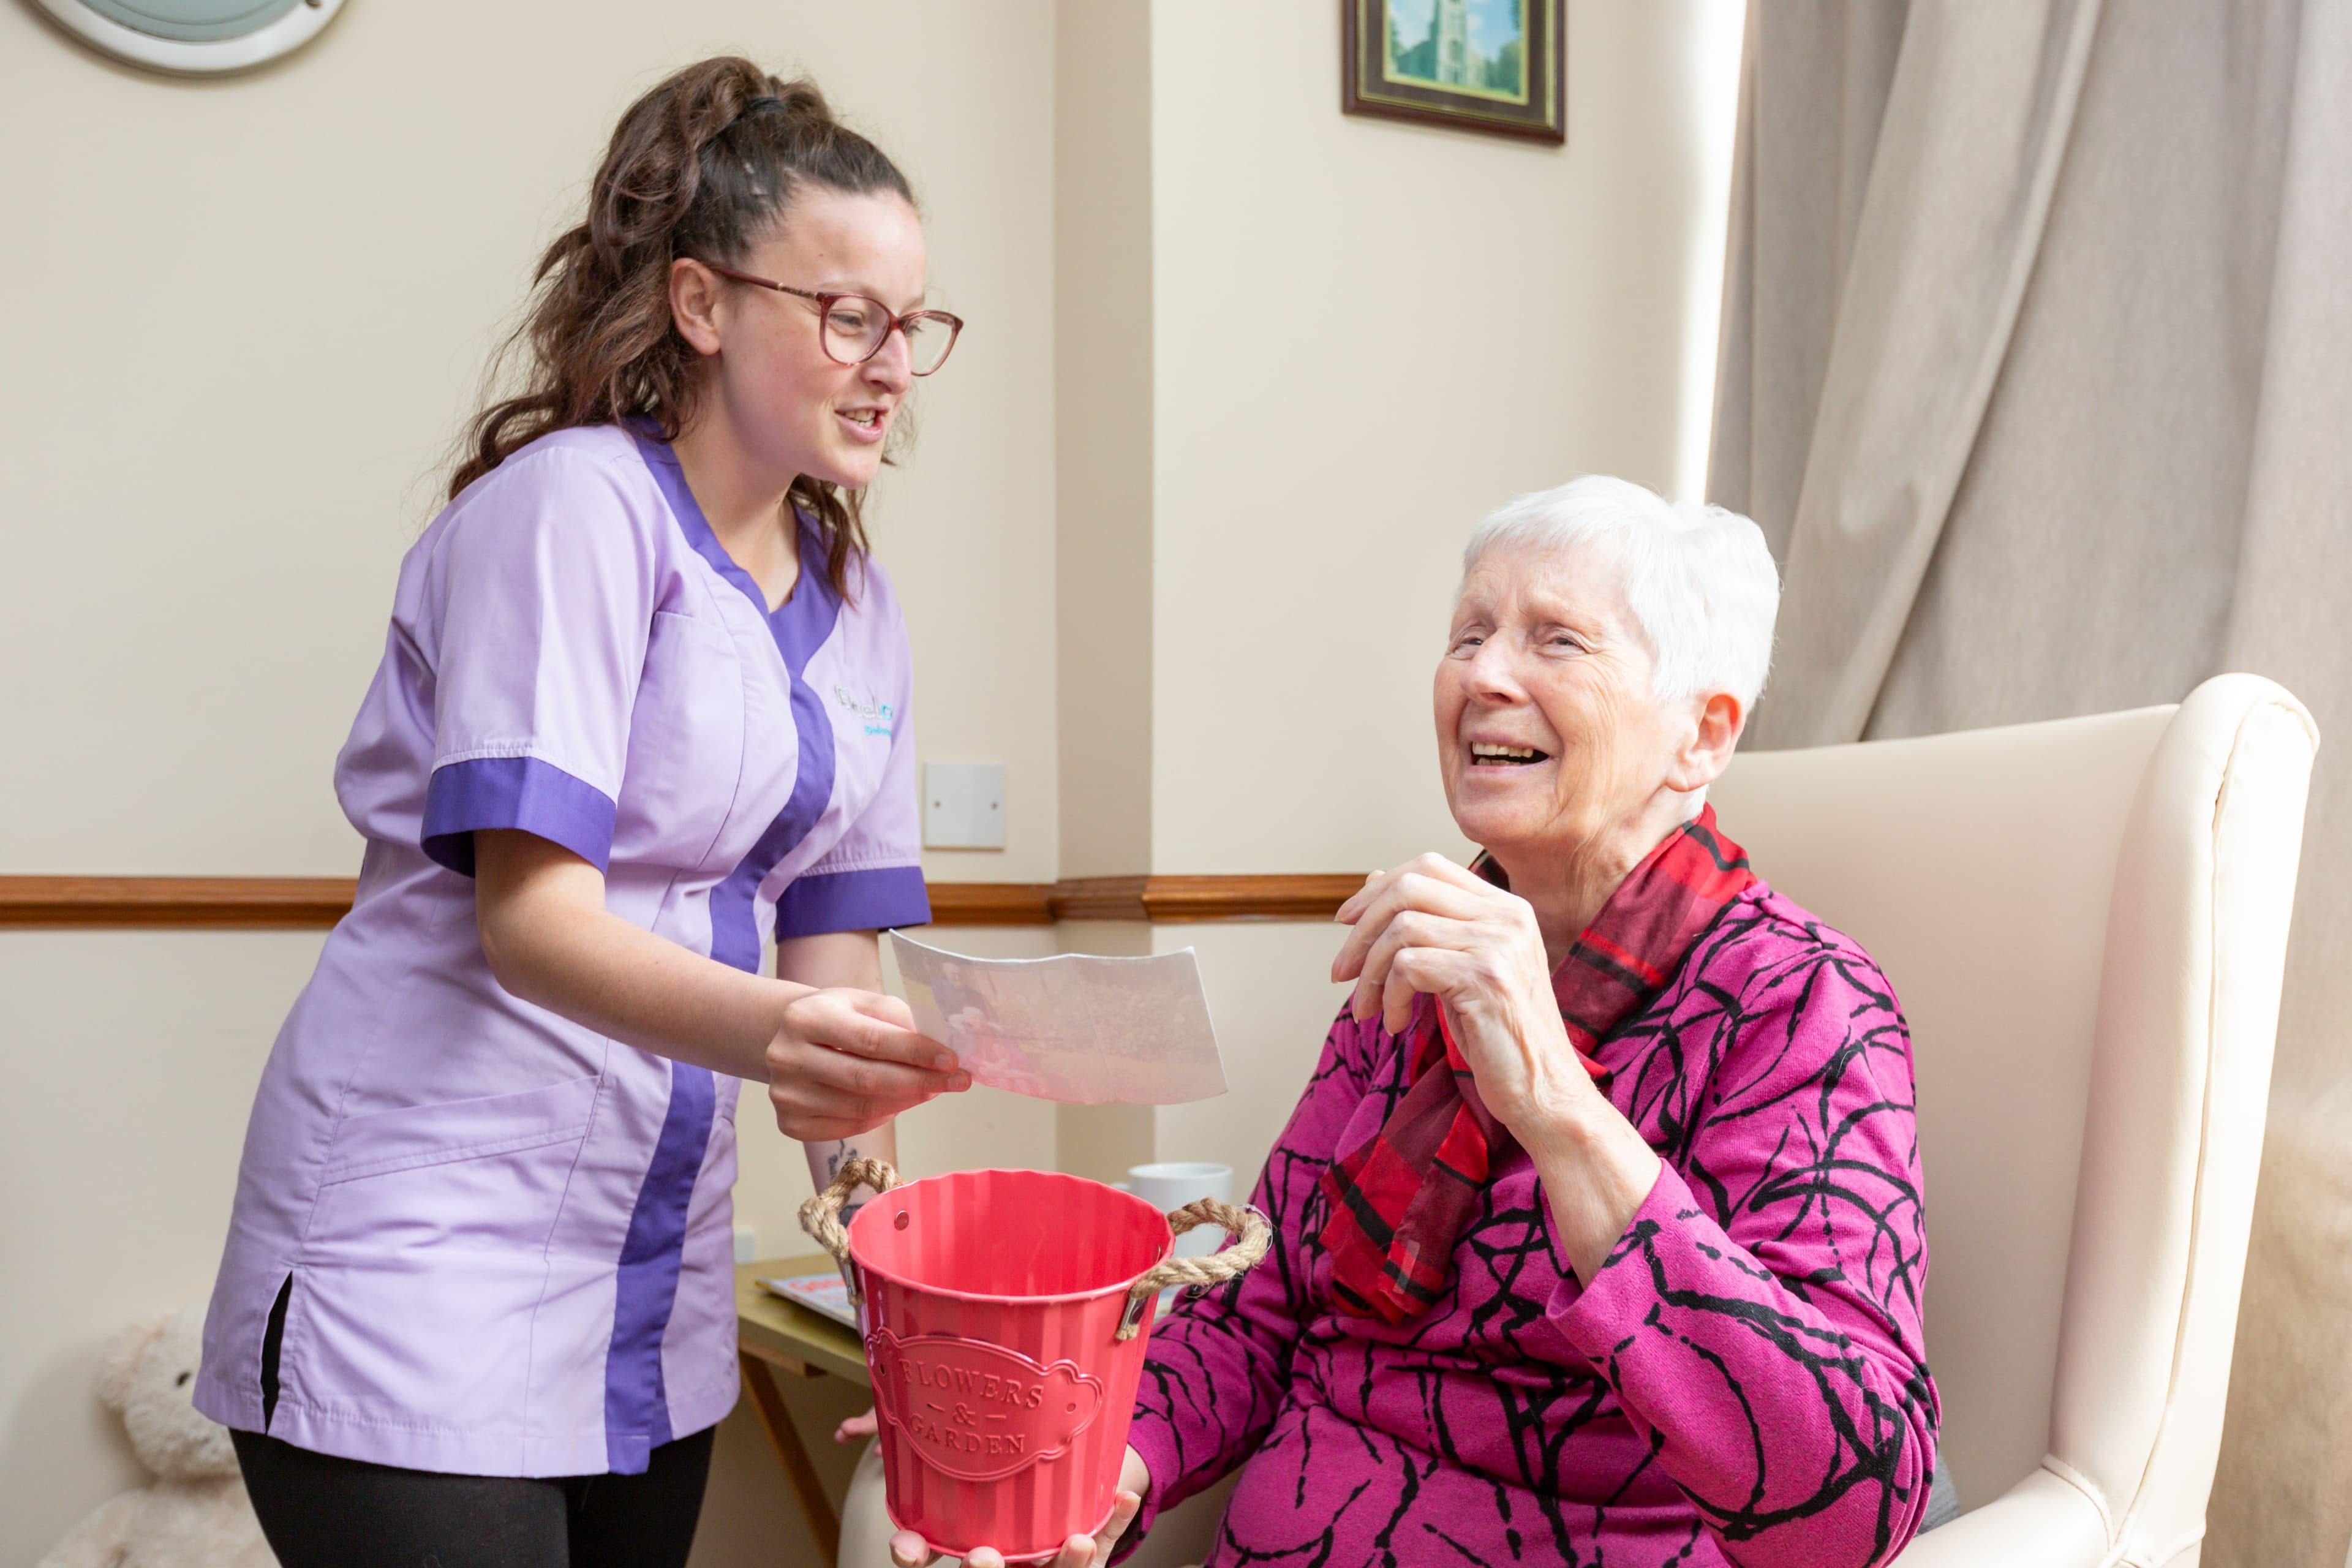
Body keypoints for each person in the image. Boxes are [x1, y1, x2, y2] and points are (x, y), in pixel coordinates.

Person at [194, 58, 971, 1568]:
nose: (891, 364)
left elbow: (831, 986)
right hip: (415, 1271)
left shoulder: (857, 607)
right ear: (700, 303)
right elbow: (535, 921)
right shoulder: (573, 508)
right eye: (847, 314)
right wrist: (783, 1040)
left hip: (642, 1300)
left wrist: (896, 1296)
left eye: (914, 324)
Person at [870, 475, 1939, 1568]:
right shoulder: (1418, 966)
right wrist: (1105, 1473)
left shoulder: (1801, 1003)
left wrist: (1556, 1103)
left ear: (1701, 738)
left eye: (1557, 641)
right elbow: (1262, 1314)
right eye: (1467, 635)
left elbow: (1854, 1499)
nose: (1482, 674)